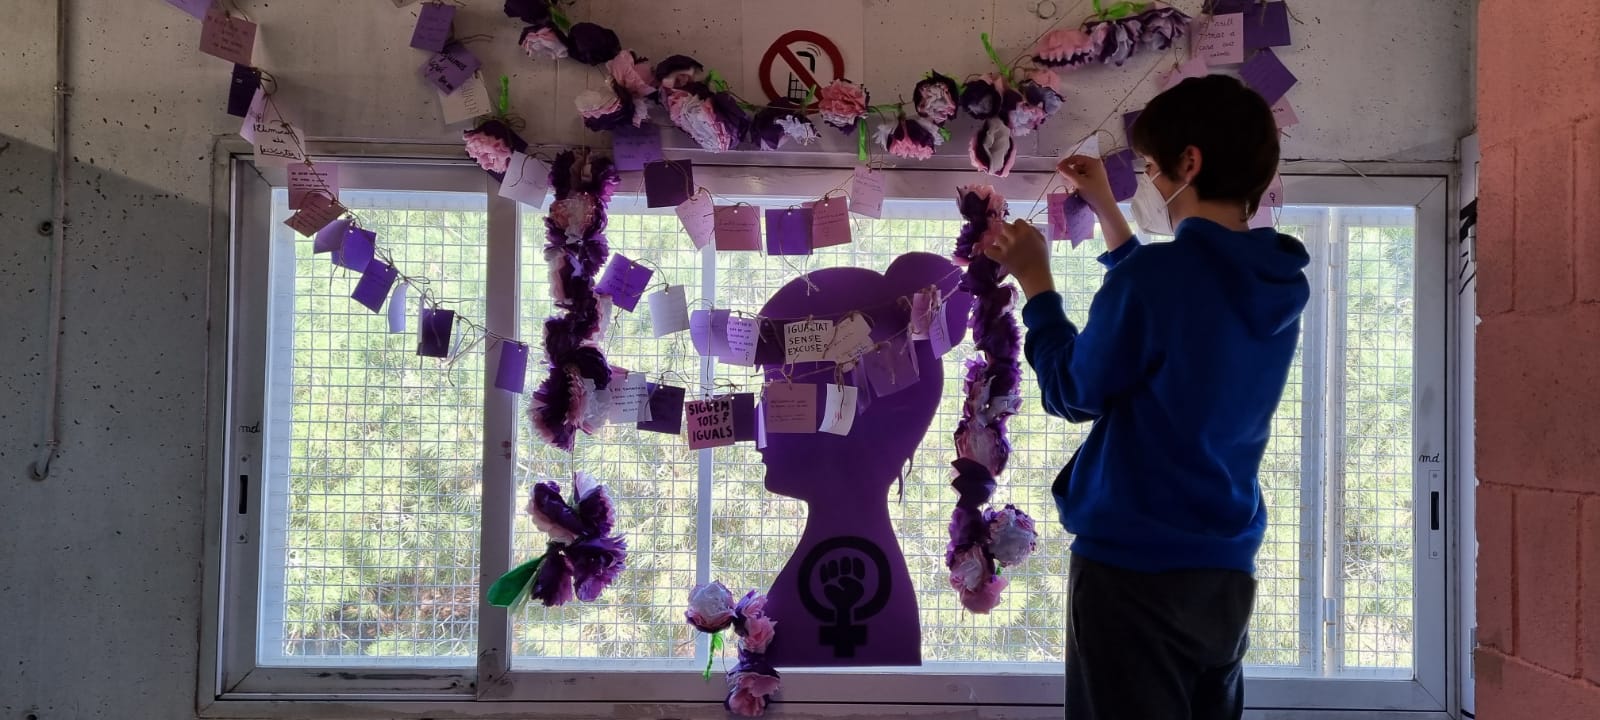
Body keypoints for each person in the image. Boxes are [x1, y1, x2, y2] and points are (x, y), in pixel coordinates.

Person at [982, 74, 1311, 720]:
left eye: (1154, 169)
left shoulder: (1160, 280)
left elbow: (1071, 390)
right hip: (1224, 573)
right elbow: (1173, 307)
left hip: (1134, 575)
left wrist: (1037, 285)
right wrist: (1108, 211)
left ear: (1190, 162)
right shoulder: (1275, 284)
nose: (1152, 186)